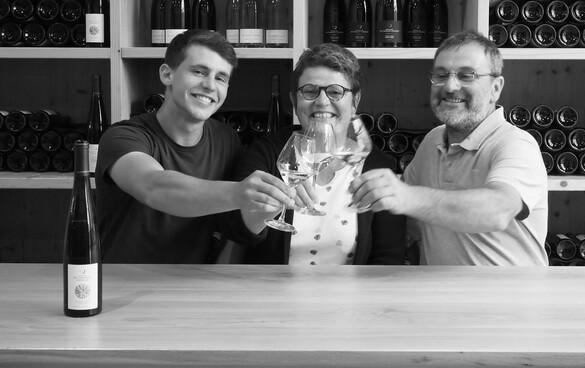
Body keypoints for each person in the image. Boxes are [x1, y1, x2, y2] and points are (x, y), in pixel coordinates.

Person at [350, 30, 548, 266]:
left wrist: (407, 197)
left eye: (466, 75)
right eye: (441, 75)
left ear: (495, 88)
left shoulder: (515, 144)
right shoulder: (433, 141)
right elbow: (407, 221)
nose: (451, 86)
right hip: (435, 290)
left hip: (506, 291)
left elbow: (499, 210)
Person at [95, 30, 295, 263]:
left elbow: (230, 228)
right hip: (122, 280)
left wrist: (264, 206)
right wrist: (239, 193)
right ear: (167, 74)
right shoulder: (123, 137)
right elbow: (153, 187)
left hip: (195, 281)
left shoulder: (226, 139)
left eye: (221, 78)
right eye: (199, 72)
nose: (210, 85)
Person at [219, 43, 407, 265]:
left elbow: (389, 258)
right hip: (273, 287)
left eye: (335, 92)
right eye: (309, 91)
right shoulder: (266, 154)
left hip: (351, 288)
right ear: (294, 101)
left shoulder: (378, 167)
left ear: (354, 102)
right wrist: (263, 209)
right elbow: (235, 231)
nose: (322, 101)